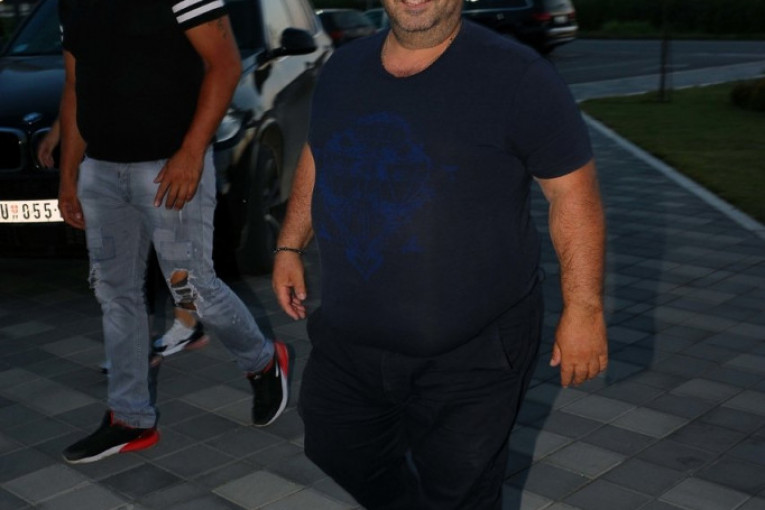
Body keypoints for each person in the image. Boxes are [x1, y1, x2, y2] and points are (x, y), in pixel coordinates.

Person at [271, 0, 608, 508]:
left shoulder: (518, 76)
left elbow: (572, 193)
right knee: (334, 445)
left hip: (474, 351)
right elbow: (319, 154)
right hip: (351, 337)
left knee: (460, 493)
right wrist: (290, 243)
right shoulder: (344, 68)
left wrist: (584, 308)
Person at [57, 0, 289, 464]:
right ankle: (130, 418)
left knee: (192, 288)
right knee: (115, 293)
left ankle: (263, 360)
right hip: (101, 171)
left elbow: (224, 64)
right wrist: (68, 175)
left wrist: (191, 152)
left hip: (169, 166)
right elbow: (76, 85)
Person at [37, 122, 209, 370]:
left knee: (143, 260)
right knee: (136, 262)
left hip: (145, 157)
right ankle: (166, 334)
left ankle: (147, 345)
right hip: (120, 159)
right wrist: (57, 133)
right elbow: (78, 99)